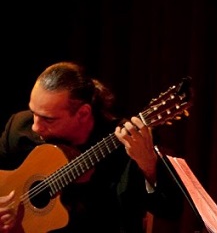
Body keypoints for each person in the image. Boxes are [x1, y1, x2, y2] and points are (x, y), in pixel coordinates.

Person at [0, 61, 184, 233]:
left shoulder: (128, 142)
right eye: (34, 113)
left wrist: (148, 165)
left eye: (48, 119)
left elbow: (171, 210)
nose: (35, 126)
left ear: (83, 113)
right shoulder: (19, 129)